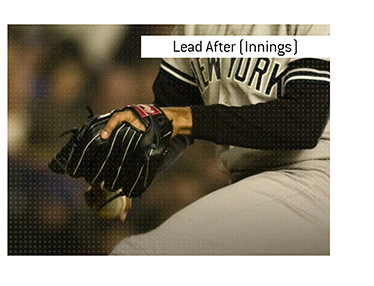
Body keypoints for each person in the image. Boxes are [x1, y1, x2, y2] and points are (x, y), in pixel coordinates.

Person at [102, 25, 330, 255]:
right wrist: (128, 170)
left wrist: (182, 118)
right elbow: (170, 118)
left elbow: (302, 121)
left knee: (137, 256)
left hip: (313, 179)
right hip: (254, 185)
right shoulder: (195, 23)